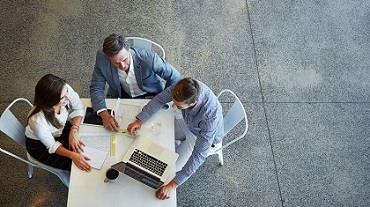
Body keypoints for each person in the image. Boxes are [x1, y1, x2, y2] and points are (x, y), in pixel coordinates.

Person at [127, 77, 224, 200]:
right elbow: (160, 99)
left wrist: (173, 185)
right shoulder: (184, 86)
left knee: (171, 169)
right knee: (160, 135)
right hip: (189, 123)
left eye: (178, 106)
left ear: (192, 103)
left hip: (202, 137)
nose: (173, 106)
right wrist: (140, 120)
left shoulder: (210, 118)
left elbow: (199, 155)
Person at [90, 33, 181, 131]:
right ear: (108, 58)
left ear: (128, 50)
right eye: (116, 63)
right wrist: (104, 114)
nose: (123, 66)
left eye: (125, 59)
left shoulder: (149, 58)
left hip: (151, 96)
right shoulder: (101, 57)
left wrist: (164, 98)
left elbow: (175, 77)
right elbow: (96, 87)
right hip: (121, 94)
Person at [25, 74, 91, 172]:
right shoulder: (37, 121)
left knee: (85, 144)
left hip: (59, 129)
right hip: (39, 145)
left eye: (67, 92)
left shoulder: (64, 89)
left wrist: (73, 131)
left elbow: (79, 108)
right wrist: (72, 155)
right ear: (50, 100)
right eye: (63, 98)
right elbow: (52, 145)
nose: (68, 98)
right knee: (75, 165)